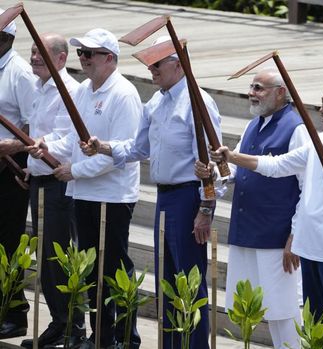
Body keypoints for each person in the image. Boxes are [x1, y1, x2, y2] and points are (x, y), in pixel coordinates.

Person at [206, 79, 323, 349]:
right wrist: (233, 157)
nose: (321, 110)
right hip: (309, 247)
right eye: (322, 102)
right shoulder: (318, 142)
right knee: (315, 328)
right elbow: (276, 165)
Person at [80, 36, 222, 349]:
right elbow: (138, 147)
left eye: (157, 63)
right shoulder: (156, 102)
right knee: (167, 281)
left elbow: (214, 160)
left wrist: (206, 208)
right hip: (165, 196)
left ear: (177, 64)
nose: (151, 69)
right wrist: (103, 146)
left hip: (188, 197)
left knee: (189, 282)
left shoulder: (197, 101)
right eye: (149, 63)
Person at [28, 28, 142, 349]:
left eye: (89, 54)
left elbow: (120, 151)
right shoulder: (85, 91)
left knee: (115, 269)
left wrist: (74, 171)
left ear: (109, 58)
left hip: (112, 195)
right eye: (80, 53)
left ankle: (125, 337)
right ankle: (101, 336)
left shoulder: (124, 94)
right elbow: (72, 140)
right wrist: (45, 144)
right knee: (93, 270)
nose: (83, 59)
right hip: (86, 194)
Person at [197, 68, 308, 349]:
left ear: (281, 92)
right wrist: (213, 172)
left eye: (259, 88)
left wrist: (295, 236)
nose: (252, 93)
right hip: (246, 230)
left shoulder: (297, 129)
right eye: (251, 87)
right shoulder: (253, 124)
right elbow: (235, 170)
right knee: (250, 308)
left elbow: (307, 188)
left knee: (284, 311)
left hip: (275, 234)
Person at [17, 33, 84, 349]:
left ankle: (72, 326)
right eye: (31, 52)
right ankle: (60, 323)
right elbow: (38, 133)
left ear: (61, 58)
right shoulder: (38, 89)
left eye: (40, 52)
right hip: (40, 182)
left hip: (61, 185)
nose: (33, 58)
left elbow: (69, 142)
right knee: (45, 260)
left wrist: (42, 148)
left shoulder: (70, 91)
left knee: (59, 259)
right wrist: (31, 166)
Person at [0, 8, 37, 339]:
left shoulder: (20, 73)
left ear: (6, 38)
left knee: (9, 241)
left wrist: (11, 148)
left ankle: (15, 312)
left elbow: (32, 123)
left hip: (10, 170)